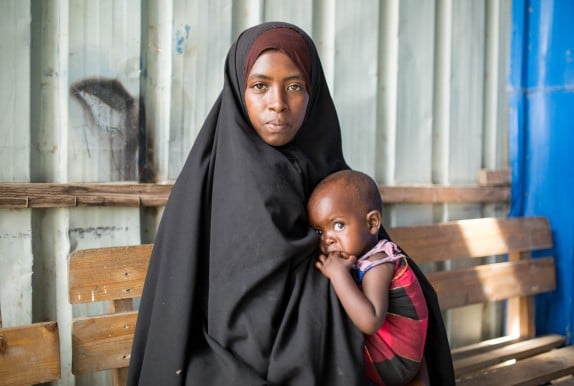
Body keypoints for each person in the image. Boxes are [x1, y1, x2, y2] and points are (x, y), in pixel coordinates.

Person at [128, 21, 455, 386]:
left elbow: (373, 253)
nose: (278, 104)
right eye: (260, 86)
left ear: (313, 93)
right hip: (240, 355)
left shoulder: (325, 166)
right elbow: (250, 312)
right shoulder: (232, 176)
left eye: (295, 86)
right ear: (240, 90)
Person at [308, 170, 430, 386]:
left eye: (338, 225)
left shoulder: (379, 263)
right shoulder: (371, 254)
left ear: (373, 223)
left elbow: (370, 320)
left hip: (395, 363)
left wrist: (338, 275)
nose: (328, 239)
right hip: (406, 358)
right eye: (319, 231)